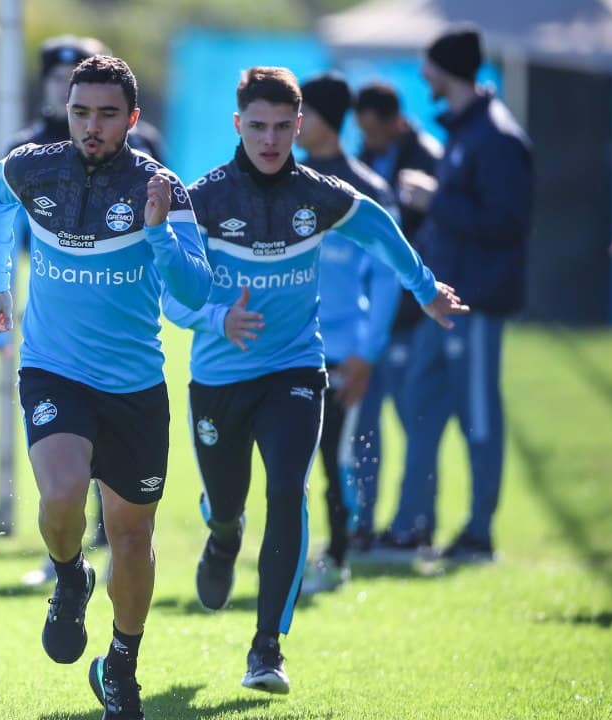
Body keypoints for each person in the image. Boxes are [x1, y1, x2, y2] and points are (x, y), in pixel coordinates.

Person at [163, 66, 467, 694]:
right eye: (257, 127)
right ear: (237, 124)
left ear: (299, 126)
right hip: (219, 378)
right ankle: (222, 535)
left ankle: (267, 649)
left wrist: (425, 285)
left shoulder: (319, 195)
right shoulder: (204, 200)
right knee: (228, 502)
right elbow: (173, 297)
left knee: (288, 492)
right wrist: (220, 317)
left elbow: (381, 227)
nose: (270, 140)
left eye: (282, 127)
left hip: (297, 369)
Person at [0, 55, 211, 720]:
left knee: (132, 537)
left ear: (133, 119)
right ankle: (69, 575)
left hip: (135, 386)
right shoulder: (33, 165)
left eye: (108, 114)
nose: (92, 125)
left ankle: (122, 669)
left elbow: (194, 300)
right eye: (82, 111)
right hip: (54, 369)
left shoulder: (161, 188)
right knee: (59, 495)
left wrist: (160, 233)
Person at [381, 25, 532, 562]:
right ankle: (411, 527)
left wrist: (434, 198)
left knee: (479, 418)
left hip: (478, 304)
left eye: (429, 66)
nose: (424, 76)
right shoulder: (467, 132)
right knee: (420, 409)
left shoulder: (497, 136)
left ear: (447, 68)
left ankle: (478, 534)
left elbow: (507, 224)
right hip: (441, 303)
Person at [293, 72, 401, 594]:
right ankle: (286, 554)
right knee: (281, 462)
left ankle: (336, 556)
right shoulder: (282, 178)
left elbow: (386, 277)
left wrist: (367, 352)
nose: (292, 125)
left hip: (339, 351)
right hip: (282, 348)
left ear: (323, 119)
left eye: (301, 113)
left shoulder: (368, 188)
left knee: (334, 458)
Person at [349, 80, 443, 552]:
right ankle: (360, 523)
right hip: (368, 317)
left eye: (376, 131)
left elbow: (440, 231)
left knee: (415, 424)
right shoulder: (359, 161)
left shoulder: (428, 157)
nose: (372, 140)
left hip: (411, 316)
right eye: (363, 132)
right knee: (362, 427)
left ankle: (418, 521)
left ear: (396, 121)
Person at [11, 36, 165, 161]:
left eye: (71, 79)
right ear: (44, 83)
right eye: (57, 78)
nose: (63, 88)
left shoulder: (138, 142)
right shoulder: (24, 148)